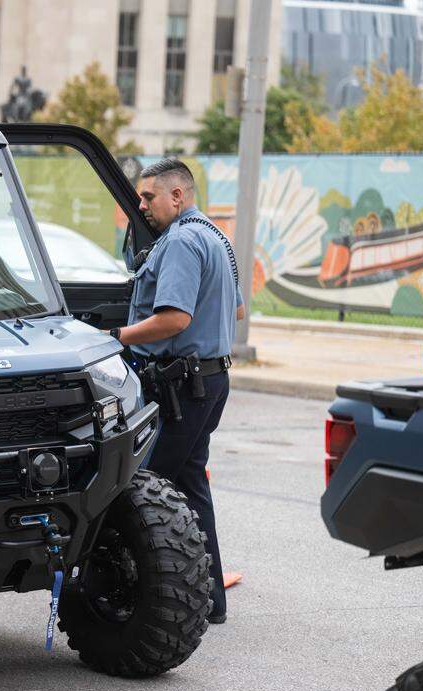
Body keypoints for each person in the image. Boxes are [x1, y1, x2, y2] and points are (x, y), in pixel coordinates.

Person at [108, 157, 244, 625]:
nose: (141, 205)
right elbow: (238, 312)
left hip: (182, 387)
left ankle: (139, 603)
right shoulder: (216, 237)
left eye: (148, 197)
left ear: (177, 195)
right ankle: (211, 602)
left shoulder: (183, 241)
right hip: (210, 380)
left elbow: (175, 319)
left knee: (144, 494)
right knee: (189, 487)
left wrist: (117, 336)